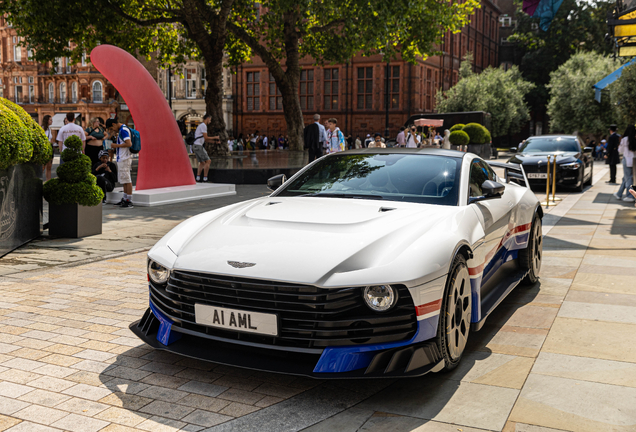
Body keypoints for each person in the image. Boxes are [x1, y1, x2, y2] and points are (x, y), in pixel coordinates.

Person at [105, 117, 134, 208]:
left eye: (111, 128)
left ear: (114, 124)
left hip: (124, 157)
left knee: (127, 179)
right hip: (122, 157)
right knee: (124, 179)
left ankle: (128, 200)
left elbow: (129, 143)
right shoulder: (122, 130)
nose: (112, 130)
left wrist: (115, 145)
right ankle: (125, 199)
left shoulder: (123, 130)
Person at [614, 124, 636, 202]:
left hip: (626, 160)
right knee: (626, 178)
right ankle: (619, 194)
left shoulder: (625, 139)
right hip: (634, 161)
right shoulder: (635, 138)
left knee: (628, 178)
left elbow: (620, 150)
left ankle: (630, 195)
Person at [191, 114, 214, 182]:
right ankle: (205, 178)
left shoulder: (200, 125)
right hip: (198, 146)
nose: (210, 121)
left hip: (195, 146)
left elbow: (205, 140)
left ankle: (198, 178)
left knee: (202, 162)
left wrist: (214, 142)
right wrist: (215, 137)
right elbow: (206, 138)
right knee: (208, 161)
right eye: (210, 120)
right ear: (207, 118)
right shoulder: (204, 126)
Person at [41, 115, 54, 181]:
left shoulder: (49, 129)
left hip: (49, 148)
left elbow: (51, 140)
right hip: (44, 148)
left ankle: (48, 181)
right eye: (50, 120)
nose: (52, 121)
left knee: (49, 166)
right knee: (43, 166)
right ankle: (39, 180)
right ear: (47, 121)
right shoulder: (42, 129)